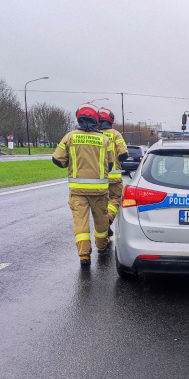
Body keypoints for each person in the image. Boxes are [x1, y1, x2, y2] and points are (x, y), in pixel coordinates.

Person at [52, 103, 112, 267]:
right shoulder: (104, 139)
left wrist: (70, 164)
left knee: (80, 223)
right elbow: (112, 164)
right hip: (99, 191)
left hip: (78, 191)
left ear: (79, 118)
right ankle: (102, 247)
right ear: (96, 120)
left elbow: (57, 159)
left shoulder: (70, 137)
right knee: (101, 222)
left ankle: (84, 256)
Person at [98, 108, 128, 234]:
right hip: (114, 177)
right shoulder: (116, 134)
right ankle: (108, 220)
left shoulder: (95, 135)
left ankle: (104, 226)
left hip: (98, 178)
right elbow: (123, 154)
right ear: (111, 120)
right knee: (114, 199)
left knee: (101, 204)